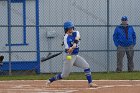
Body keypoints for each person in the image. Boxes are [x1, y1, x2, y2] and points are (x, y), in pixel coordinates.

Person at [46, 21, 98, 87]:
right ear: (66, 29)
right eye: (69, 28)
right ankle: (50, 80)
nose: (71, 29)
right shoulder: (66, 38)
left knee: (86, 66)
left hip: (75, 56)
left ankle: (90, 83)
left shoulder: (76, 32)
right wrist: (70, 49)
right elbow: (68, 51)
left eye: (72, 28)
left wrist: (74, 44)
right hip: (69, 57)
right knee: (64, 75)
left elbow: (78, 37)